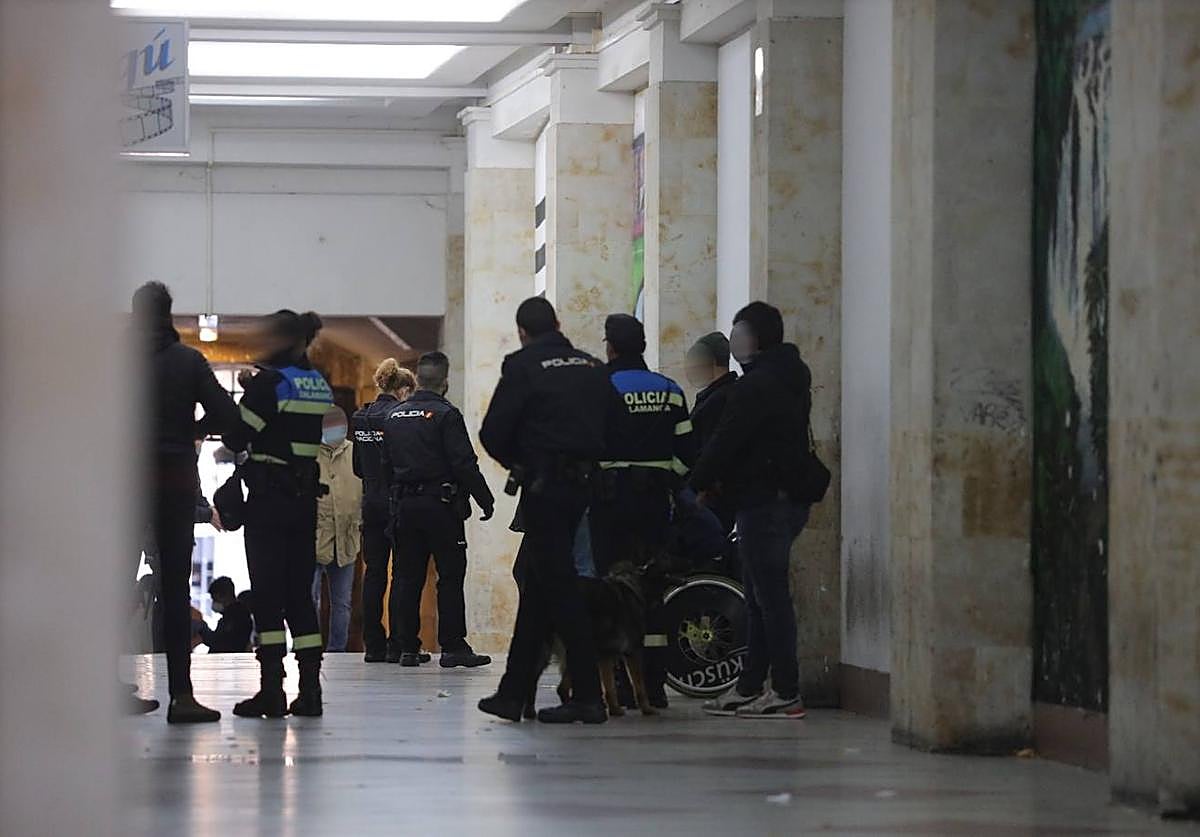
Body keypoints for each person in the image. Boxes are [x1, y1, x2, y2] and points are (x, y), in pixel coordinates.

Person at [476, 298, 618, 725]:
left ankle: (588, 696)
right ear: (558, 323)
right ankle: (512, 692)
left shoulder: (523, 366)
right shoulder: (592, 366)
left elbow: (493, 432)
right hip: (583, 488)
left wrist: (523, 463)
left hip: (544, 488)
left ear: (522, 332)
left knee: (560, 589)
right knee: (539, 587)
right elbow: (616, 422)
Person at [690, 302, 814, 720]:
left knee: (769, 598)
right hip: (786, 497)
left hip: (763, 500)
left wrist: (696, 484)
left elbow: (727, 440)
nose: (734, 340)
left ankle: (785, 690)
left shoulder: (756, 386)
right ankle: (750, 685)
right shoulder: (792, 375)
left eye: (739, 331)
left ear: (757, 337)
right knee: (761, 595)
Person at [135, 281, 239, 723]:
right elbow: (228, 415)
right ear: (169, 313)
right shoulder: (187, 361)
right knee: (175, 590)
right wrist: (192, 429)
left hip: (126, 481)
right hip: (175, 479)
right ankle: (181, 695)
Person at [223, 309, 333, 718]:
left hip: (269, 502)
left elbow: (237, 436)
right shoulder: (317, 381)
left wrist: (248, 391)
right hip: (304, 503)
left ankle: (272, 690)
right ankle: (310, 691)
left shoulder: (269, 384)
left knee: (268, 597)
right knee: (300, 597)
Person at [589, 314, 696, 708]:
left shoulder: (599, 388)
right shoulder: (669, 390)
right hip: (654, 505)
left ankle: (618, 682)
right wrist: (666, 480)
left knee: (611, 592)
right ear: (644, 346)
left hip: (610, 505)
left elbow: (585, 446)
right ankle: (653, 684)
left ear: (610, 347)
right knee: (653, 592)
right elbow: (688, 454)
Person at [381, 352, 494, 668]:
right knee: (450, 576)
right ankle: (453, 647)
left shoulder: (394, 416)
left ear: (417, 380)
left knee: (407, 577)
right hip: (441, 507)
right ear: (445, 382)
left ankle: (406, 647)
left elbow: (385, 466)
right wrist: (485, 499)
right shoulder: (447, 415)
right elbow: (463, 464)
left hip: (405, 507)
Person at [351, 359, 419, 663]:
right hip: (396, 502)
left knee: (374, 573)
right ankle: (397, 644)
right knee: (401, 574)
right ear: (402, 390)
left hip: (371, 502)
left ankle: (373, 644)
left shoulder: (360, 417)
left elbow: (357, 466)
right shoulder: (398, 417)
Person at [313, 406, 361, 653]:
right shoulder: (310, 453)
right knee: (309, 599)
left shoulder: (355, 452)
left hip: (346, 536)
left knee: (342, 602)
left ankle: (336, 650)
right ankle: (309, 648)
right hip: (314, 538)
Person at [684, 331, 739, 534]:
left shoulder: (718, 399)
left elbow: (714, 448)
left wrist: (702, 487)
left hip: (710, 495)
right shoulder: (720, 395)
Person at [195, 577, 253, 654]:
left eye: (215, 599)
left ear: (225, 596)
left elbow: (220, 643)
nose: (214, 603)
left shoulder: (237, 617)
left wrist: (203, 629)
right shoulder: (232, 615)